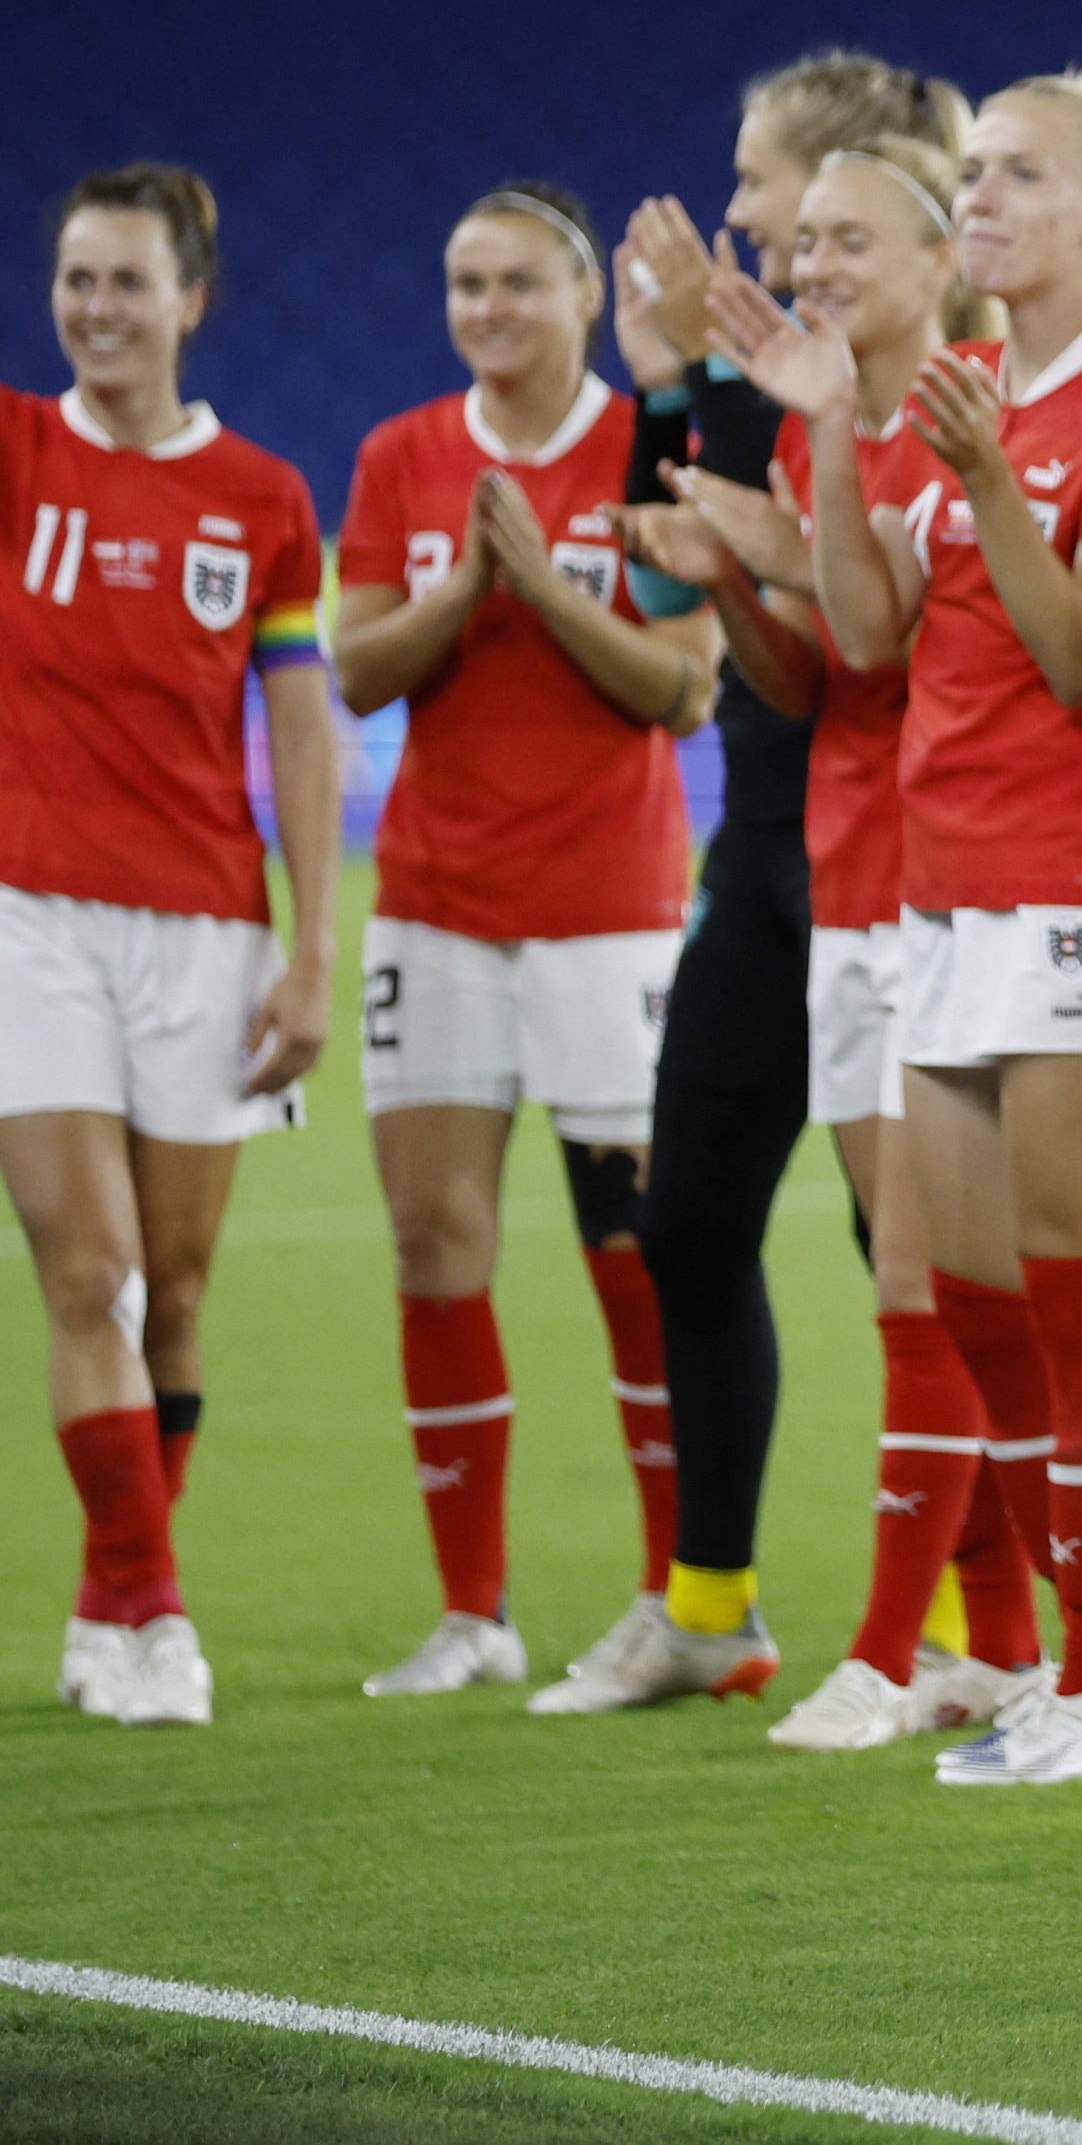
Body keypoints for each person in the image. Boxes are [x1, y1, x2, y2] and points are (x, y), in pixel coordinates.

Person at [714, 58, 1082, 1787]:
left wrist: (990, 475)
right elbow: (862, 634)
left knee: (1075, 1298)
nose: (977, 197)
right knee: (977, 1303)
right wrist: (834, 421)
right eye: (975, 170)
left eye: (1012, 177)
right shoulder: (963, 384)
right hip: (948, 890)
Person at [538, 53, 980, 1714]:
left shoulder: (920, 383)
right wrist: (675, 390)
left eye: (765, 191)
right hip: (773, 831)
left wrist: (700, 385)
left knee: (937, 1270)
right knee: (692, 1226)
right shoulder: (789, 378)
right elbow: (685, 527)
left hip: (901, 850)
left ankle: (969, 1628)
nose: (739, 220)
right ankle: (712, 1602)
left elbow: (826, 566)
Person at [613, 136, 1044, 1750]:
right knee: (931, 1289)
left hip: (969, 875)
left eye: (846, 241)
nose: (811, 269)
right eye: (805, 248)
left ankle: (909, 1643)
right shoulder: (825, 424)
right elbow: (804, 681)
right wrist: (733, 563)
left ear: (943, 257)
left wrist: (787, 524)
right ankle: (995, 1637)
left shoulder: (966, 405)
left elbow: (890, 624)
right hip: (855, 870)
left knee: (951, 1283)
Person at [333, 183, 724, 1704]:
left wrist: (545, 588)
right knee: (436, 1247)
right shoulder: (402, 455)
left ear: (581, 298)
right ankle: (471, 1612)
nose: (485, 311)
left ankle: (672, 1590)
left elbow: (684, 687)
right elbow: (355, 669)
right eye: (462, 285)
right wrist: (468, 589)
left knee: (635, 1257)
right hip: (436, 904)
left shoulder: (647, 449)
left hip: (607, 911)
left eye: (515, 284)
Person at [4, 165, 338, 1729]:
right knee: (93, 1271)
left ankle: (105, 1603)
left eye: (127, 282)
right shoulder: (13, 453)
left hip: (207, 923)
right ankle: (158, 1608)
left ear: (192, 300)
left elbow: (300, 724)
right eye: (76, 279)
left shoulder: (264, 500)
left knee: (180, 1287)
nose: (95, 309)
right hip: (31, 914)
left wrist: (311, 946)